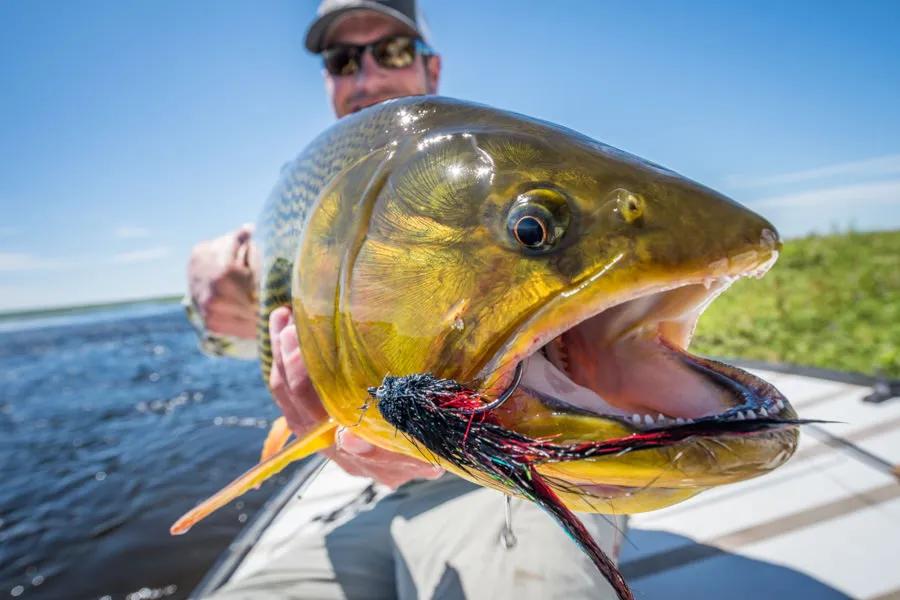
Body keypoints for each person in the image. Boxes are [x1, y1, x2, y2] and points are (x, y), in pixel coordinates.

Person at [190, 1, 626, 597]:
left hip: (523, 478)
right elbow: (232, 338)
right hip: (369, 502)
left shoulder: (509, 174)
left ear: (432, 67)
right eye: (343, 60)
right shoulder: (308, 213)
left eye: (391, 51)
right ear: (327, 80)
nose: (367, 77)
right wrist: (209, 303)